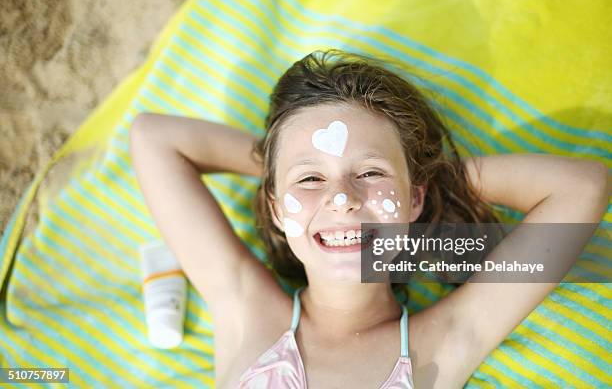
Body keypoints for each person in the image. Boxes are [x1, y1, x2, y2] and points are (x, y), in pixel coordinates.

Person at [129, 49, 610, 388]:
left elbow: (584, 186)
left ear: (416, 198)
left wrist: (403, 183)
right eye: (311, 180)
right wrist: (290, 171)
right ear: (275, 207)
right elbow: (153, 137)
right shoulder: (244, 307)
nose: (342, 199)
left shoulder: (449, 339)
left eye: (370, 172)